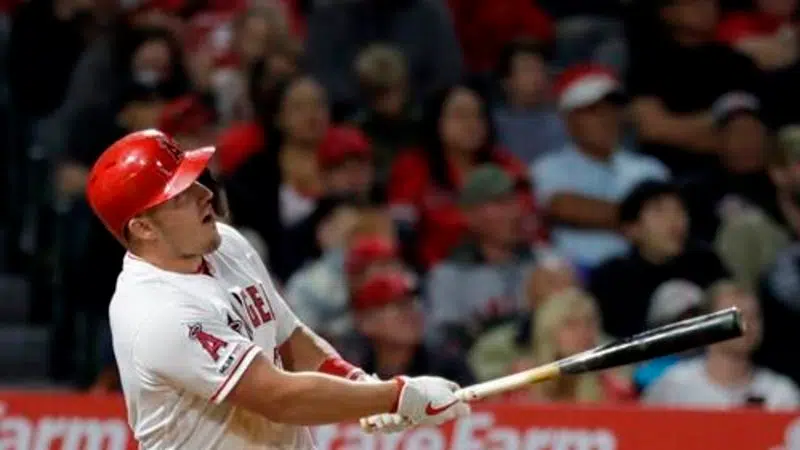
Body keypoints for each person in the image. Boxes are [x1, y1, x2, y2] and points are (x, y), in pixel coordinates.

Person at [85, 129, 469, 448]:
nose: (205, 195)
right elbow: (277, 397)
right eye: (182, 194)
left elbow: (289, 339)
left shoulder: (226, 244)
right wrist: (396, 395)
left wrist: (360, 384)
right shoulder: (156, 312)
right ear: (143, 228)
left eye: (197, 181)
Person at [532, 64, 670, 269]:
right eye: (593, 111)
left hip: (648, 271)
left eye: (612, 108)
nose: (606, 118)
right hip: (579, 273)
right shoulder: (548, 167)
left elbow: (670, 220)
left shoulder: (650, 168)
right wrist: (646, 217)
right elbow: (563, 207)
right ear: (568, 120)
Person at [590, 180, 729, 338]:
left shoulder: (706, 263)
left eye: (679, 210)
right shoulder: (613, 278)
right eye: (659, 211)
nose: (674, 219)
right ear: (632, 229)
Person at [644, 280, 800, 410]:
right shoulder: (673, 386)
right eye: (734, 317)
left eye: (754, 317)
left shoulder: (781, 393)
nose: (746, 325)